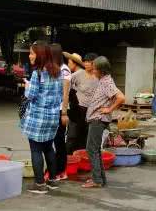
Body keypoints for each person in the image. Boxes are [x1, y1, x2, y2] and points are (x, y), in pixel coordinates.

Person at [21, 41, 63, 194]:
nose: (30, 55)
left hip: (38, 117)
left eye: (32, 53)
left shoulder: (37, 73)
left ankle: (39, 184)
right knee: (49, 148)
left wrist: (27, 87)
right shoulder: (57, 71)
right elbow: (59, 96)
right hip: (52, 117)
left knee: (36, 149)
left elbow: (31, 95)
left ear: (39, 55)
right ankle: (52, 180)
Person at [83, 56, 125, 189]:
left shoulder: (107, 82)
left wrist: (109, 109)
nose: (93, 70)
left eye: (94, 68)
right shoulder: (103, 80)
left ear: (101, 70)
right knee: (94, 149)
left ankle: (97, 180)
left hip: (98, 119)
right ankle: (100, 178)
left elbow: (121, 98)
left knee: (91, 149)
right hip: (96, 119)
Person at [66, 53, 99, 153]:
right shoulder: (77, 75)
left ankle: (82, 158)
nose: (87, 64)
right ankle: (67, 158)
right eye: (85, 61)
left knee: (86, 137)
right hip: (77, 109)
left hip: (91, 111)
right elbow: (66, 87)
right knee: (72, 136)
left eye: (89, 62)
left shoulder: (98, 76)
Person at [49, 44, 71, 181]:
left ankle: (61, 170)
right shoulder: (53, 69)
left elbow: (65, 94)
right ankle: (54, 168)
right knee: (51, 141)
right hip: (51, 110)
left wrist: (63, 113)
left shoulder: (64, 70)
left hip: (60, 111)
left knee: (59, 141)